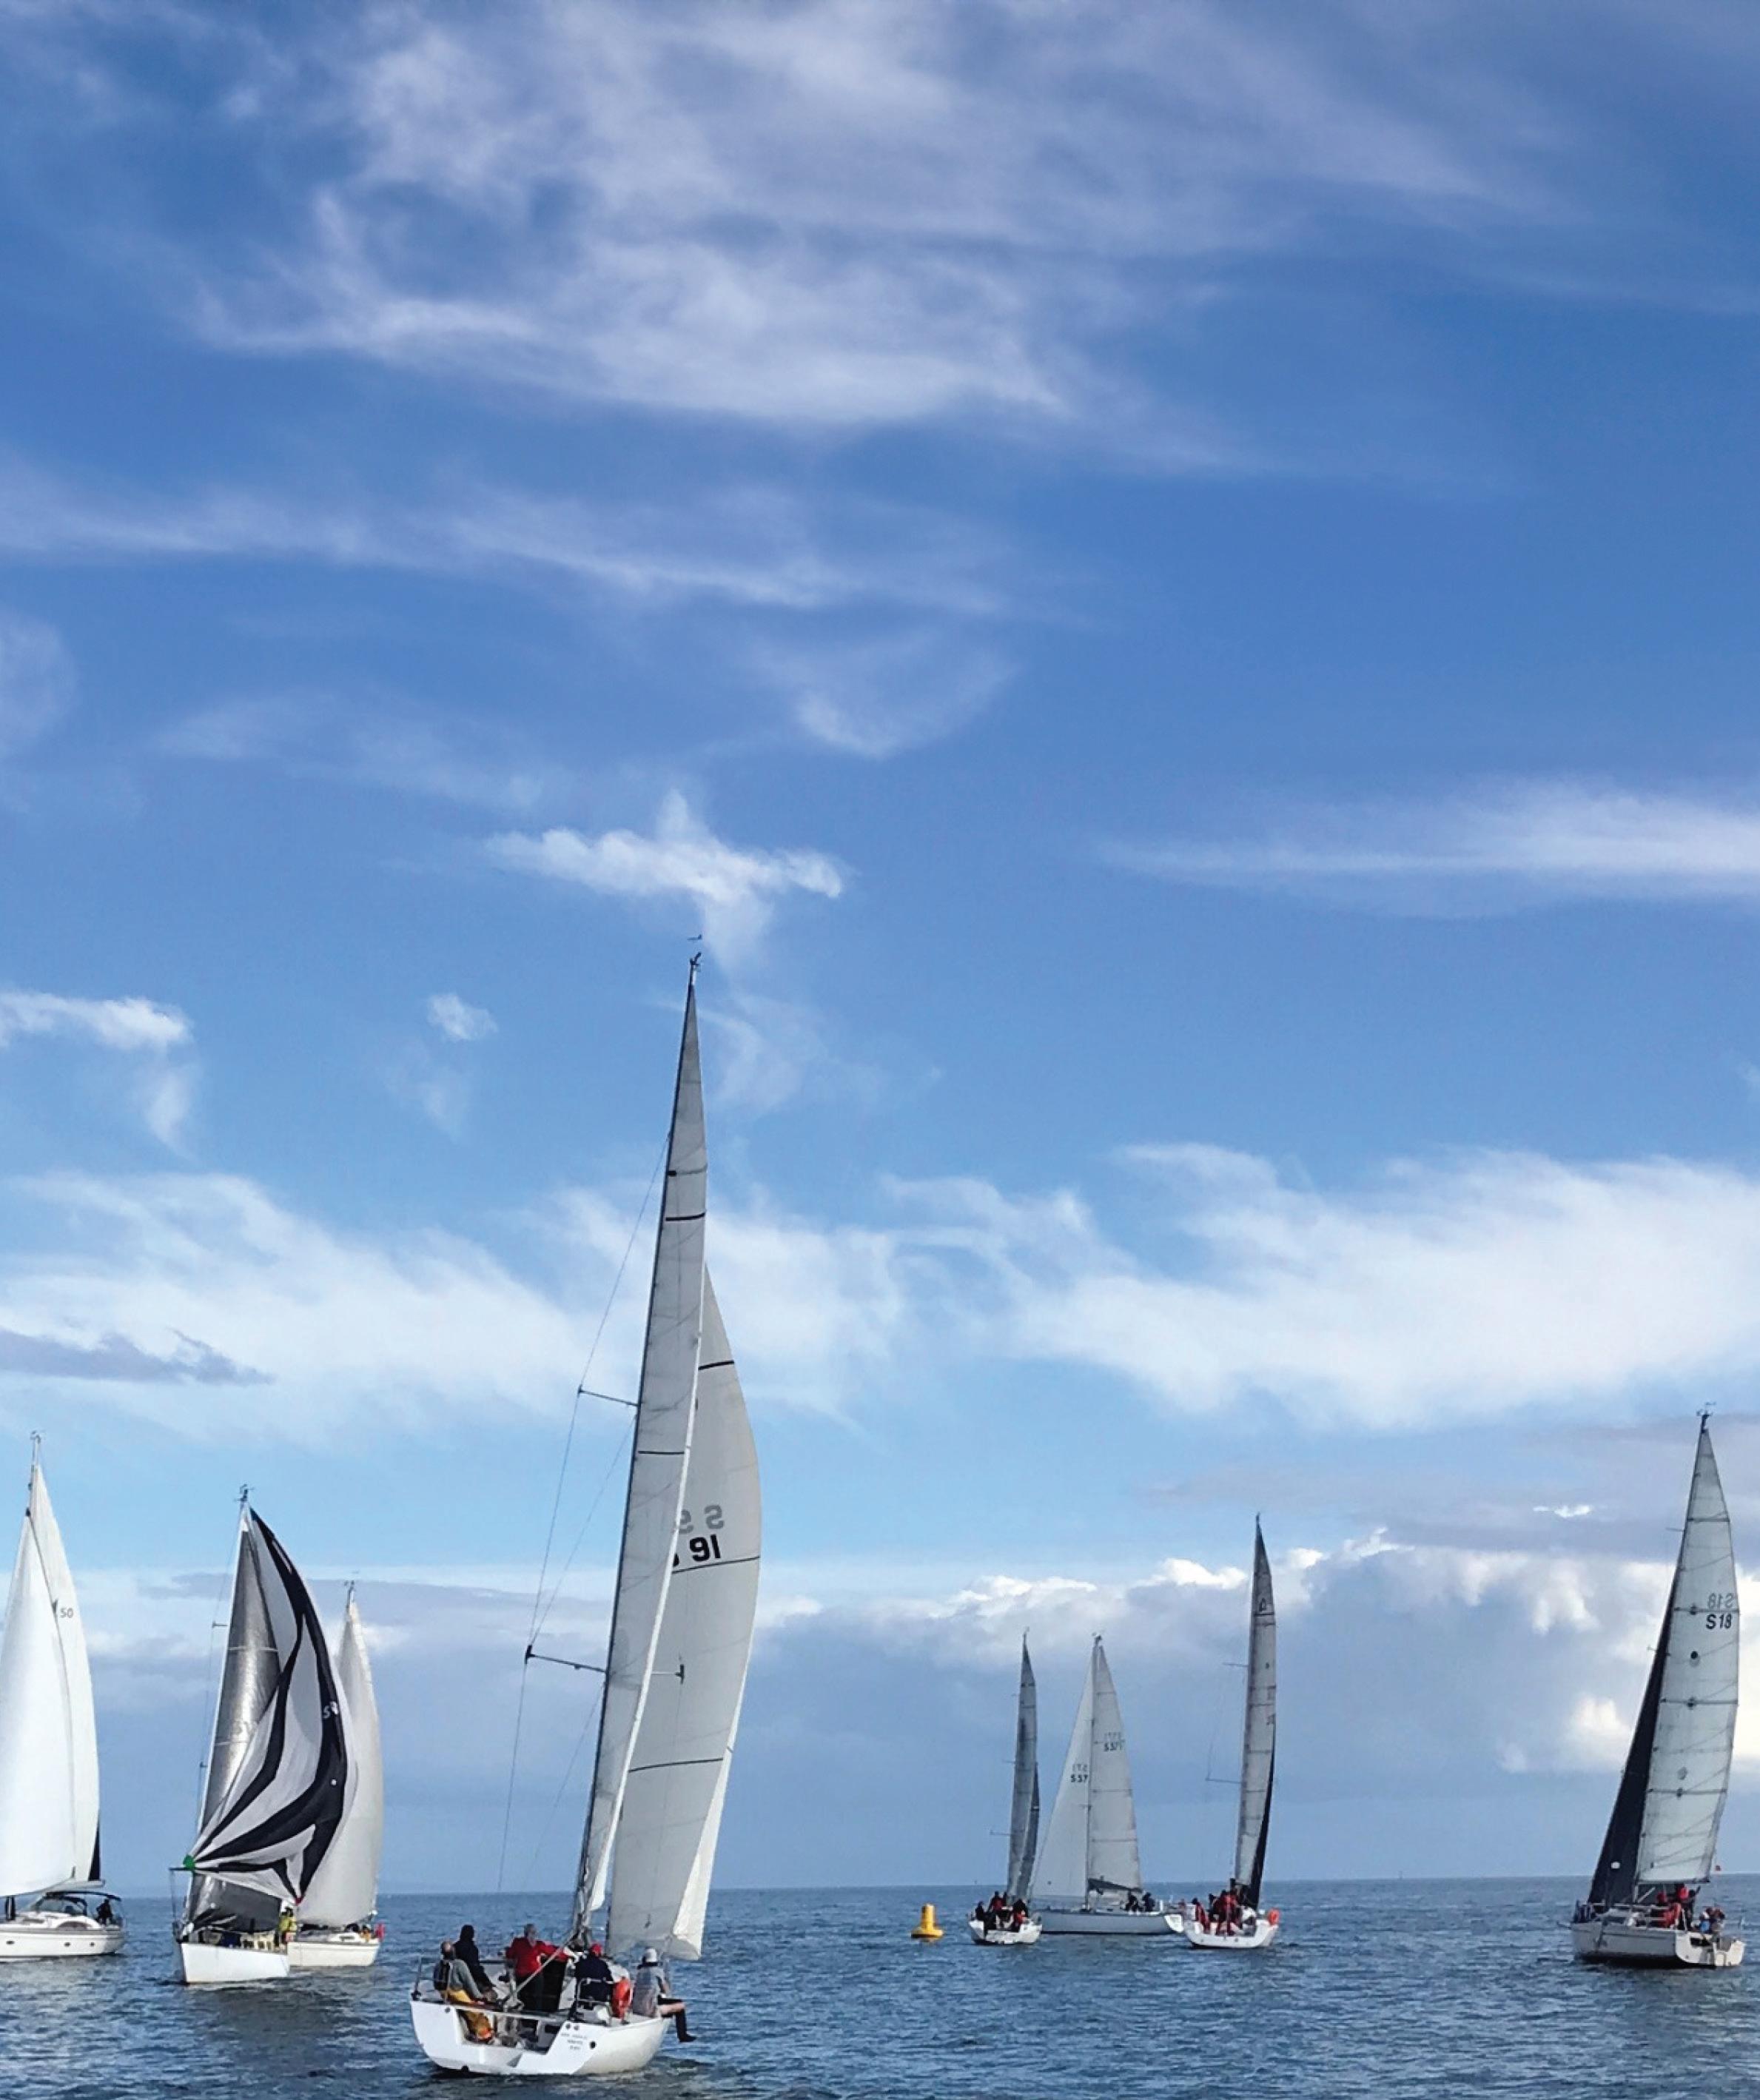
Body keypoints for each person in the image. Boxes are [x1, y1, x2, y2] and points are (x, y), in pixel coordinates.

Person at [455, 1924, 496, 1996]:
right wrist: (487, 1981)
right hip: (469, 1980)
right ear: (472, 1935)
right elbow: (474, 1968)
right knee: (493, 1995)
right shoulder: (472, 1949)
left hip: (456, 1980)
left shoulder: (455, 1947)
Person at [630, 1947, 668, 2022]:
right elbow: (665, 1990)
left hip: (636, 2008)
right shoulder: (658, 1972)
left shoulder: (639, 1972)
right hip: (650, 2009)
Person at [574, 1940, 616, 2008]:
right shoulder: (603, 1965)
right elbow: (610, 1979)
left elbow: (576, 1975)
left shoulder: (581, 1963)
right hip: (599, 1996)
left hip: (582, 1994)